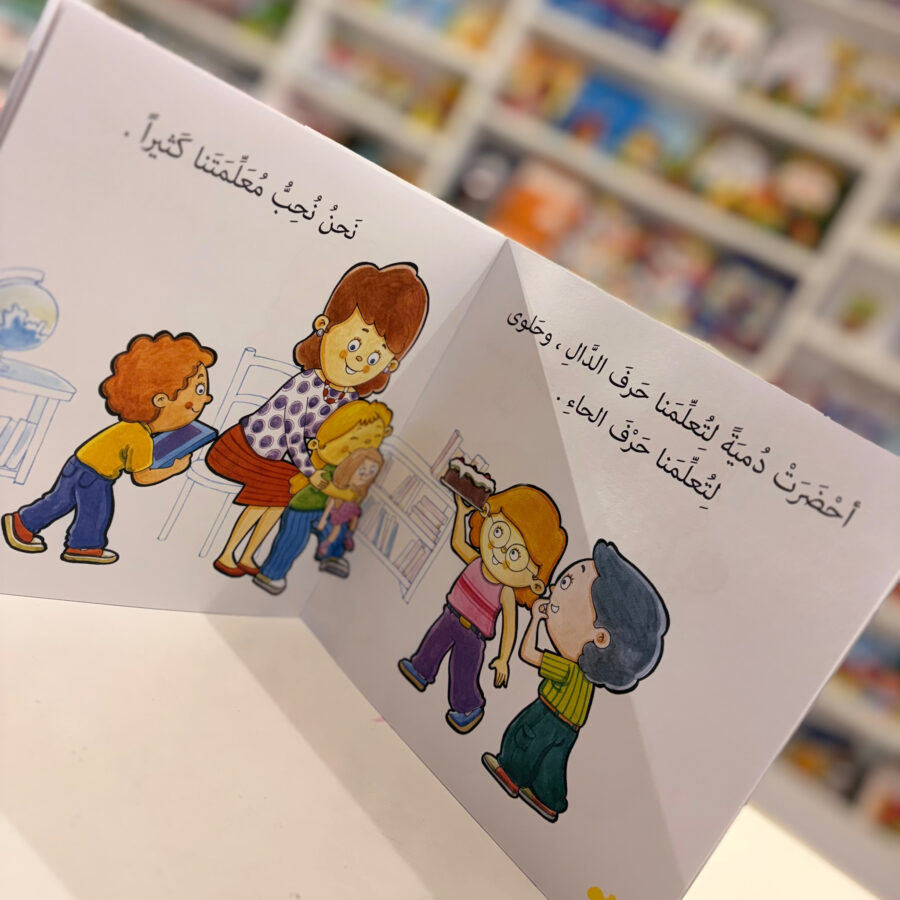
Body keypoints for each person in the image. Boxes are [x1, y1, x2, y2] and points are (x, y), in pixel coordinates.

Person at [206, 261, 428, 578]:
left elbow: (333, 438)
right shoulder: (306, 384)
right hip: (250, 447)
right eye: (354, 345)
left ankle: (250, 554)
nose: (358, 361)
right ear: (324, 325)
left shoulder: (348, 400)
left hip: (284, 462)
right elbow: (294, 434)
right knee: (272, 495)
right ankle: (229, 552)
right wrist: (312, 471)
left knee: (280, 498)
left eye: (374, 357)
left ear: (390, 366)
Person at [482, 540, 669, 822]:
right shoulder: (588, 678)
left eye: (566, 584)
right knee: (552, 764)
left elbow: (528, 653)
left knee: (521, 739)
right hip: (570, 729)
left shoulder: (569, 669)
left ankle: (510, 772)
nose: (552, 590)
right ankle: (549, 799)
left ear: (600, 637)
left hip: (547, 714)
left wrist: (536, 620)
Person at [2, 331, 216, 564]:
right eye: (199, 390)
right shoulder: (140, 437)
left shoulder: (131, 428)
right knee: (96, 510)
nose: (206, 399)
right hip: (96, 475)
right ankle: (84, 547)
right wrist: (174, 468)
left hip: (78, 463)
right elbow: (143, 477)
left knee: (59, 501)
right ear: (161, 400)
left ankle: (22, 524)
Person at [399, 485, 567, 734]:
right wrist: (461, 512)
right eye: (499, 531)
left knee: (462, 673)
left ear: (535, 581)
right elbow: (458, 543)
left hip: (472, 636)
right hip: (450, 616)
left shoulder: (506, 592)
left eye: (515, 554)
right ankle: (421, 669)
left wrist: (503, 659)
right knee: (432, 644)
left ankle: (468, 708)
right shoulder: (476, 561)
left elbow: (510, 627)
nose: (500, 552)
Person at [253, 400, 391, 595]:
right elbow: (324, 486)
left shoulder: (353, 468)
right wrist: (343, 494)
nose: (360, 448)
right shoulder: (327, 469)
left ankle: (332, 556)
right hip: (302, 509)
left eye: (372, 440)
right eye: (353, 442)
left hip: (327, 510)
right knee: (292, 541)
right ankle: (270, 574)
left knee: (336, 530)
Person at [315, 447, 383, 576]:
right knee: (337, 528)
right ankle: (326, 544)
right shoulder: (342, 488)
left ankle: (349, 535)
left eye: (371, 472)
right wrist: (323, 520)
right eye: (362, 471)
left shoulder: (359, 490)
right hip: (339, 512)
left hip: (350, 511)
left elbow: (356, 502)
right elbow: (332, 502)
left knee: (354, 519)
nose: (365, 476)